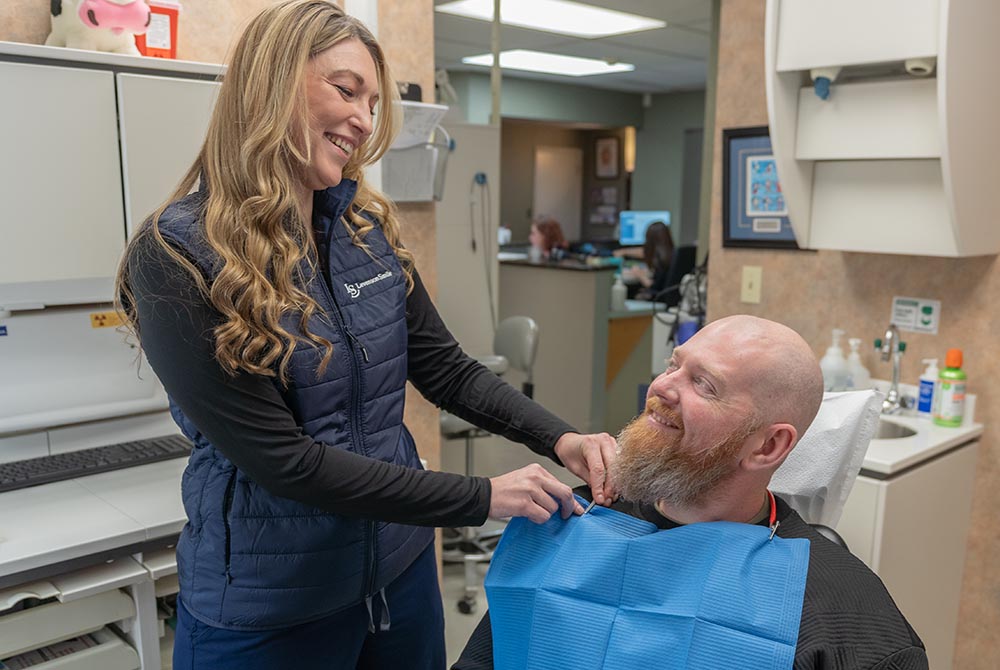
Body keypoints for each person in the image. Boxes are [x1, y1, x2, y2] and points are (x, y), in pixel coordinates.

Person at [113, 2, 617, 668]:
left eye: (373, 103)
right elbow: (285, 463)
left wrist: (562, 437)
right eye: (345, 89)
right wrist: (481, 498)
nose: (364, 118)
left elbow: (447, 370)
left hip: (400, 582)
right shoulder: (176, 257)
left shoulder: (364, 235)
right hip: (271, 609)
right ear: (271, 85)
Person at [454, 315, 928, 670]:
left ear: (769, 445)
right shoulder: (569, 522)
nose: (661, 387)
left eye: (704, 384)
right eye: (674, 364)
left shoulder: (842, 611)